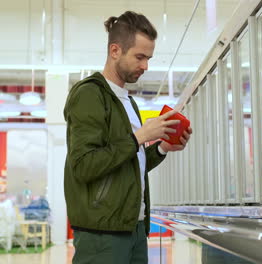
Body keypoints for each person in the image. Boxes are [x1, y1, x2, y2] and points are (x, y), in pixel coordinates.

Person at [63, 11, 192, 264]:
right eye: (140, 57)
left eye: (149, 58)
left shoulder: (128, 103)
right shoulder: (89, 94)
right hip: (102, 235)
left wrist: (162, 148)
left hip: (135, 228)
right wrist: (140, 136)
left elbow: (130, 164)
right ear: (115, 51)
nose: (145, 66)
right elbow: (83, 166)